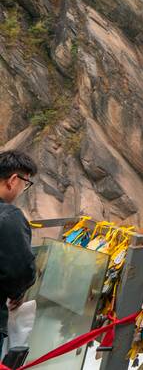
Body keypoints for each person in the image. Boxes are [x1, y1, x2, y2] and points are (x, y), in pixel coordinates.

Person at [0, 152, 35, 358]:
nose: (23, 189)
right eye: (26, 183)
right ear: (13, 180)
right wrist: (18, 293)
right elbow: (20, 271)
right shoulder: (8, 216)